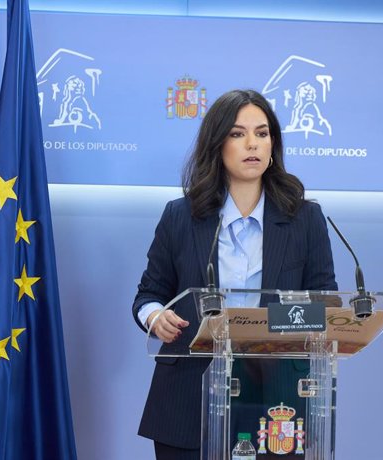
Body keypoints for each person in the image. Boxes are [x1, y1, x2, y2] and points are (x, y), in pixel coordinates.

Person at [132, 89, 337, 460]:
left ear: (273, 144)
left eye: (262, 133)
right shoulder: (180, 216)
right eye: (238, 134)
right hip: (187, 396)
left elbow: (325, 303)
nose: (252, 144)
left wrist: (267, 325)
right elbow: (148, 295)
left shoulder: (304, 218)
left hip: (277, 396)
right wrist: (155, 316)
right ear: (217, 144)